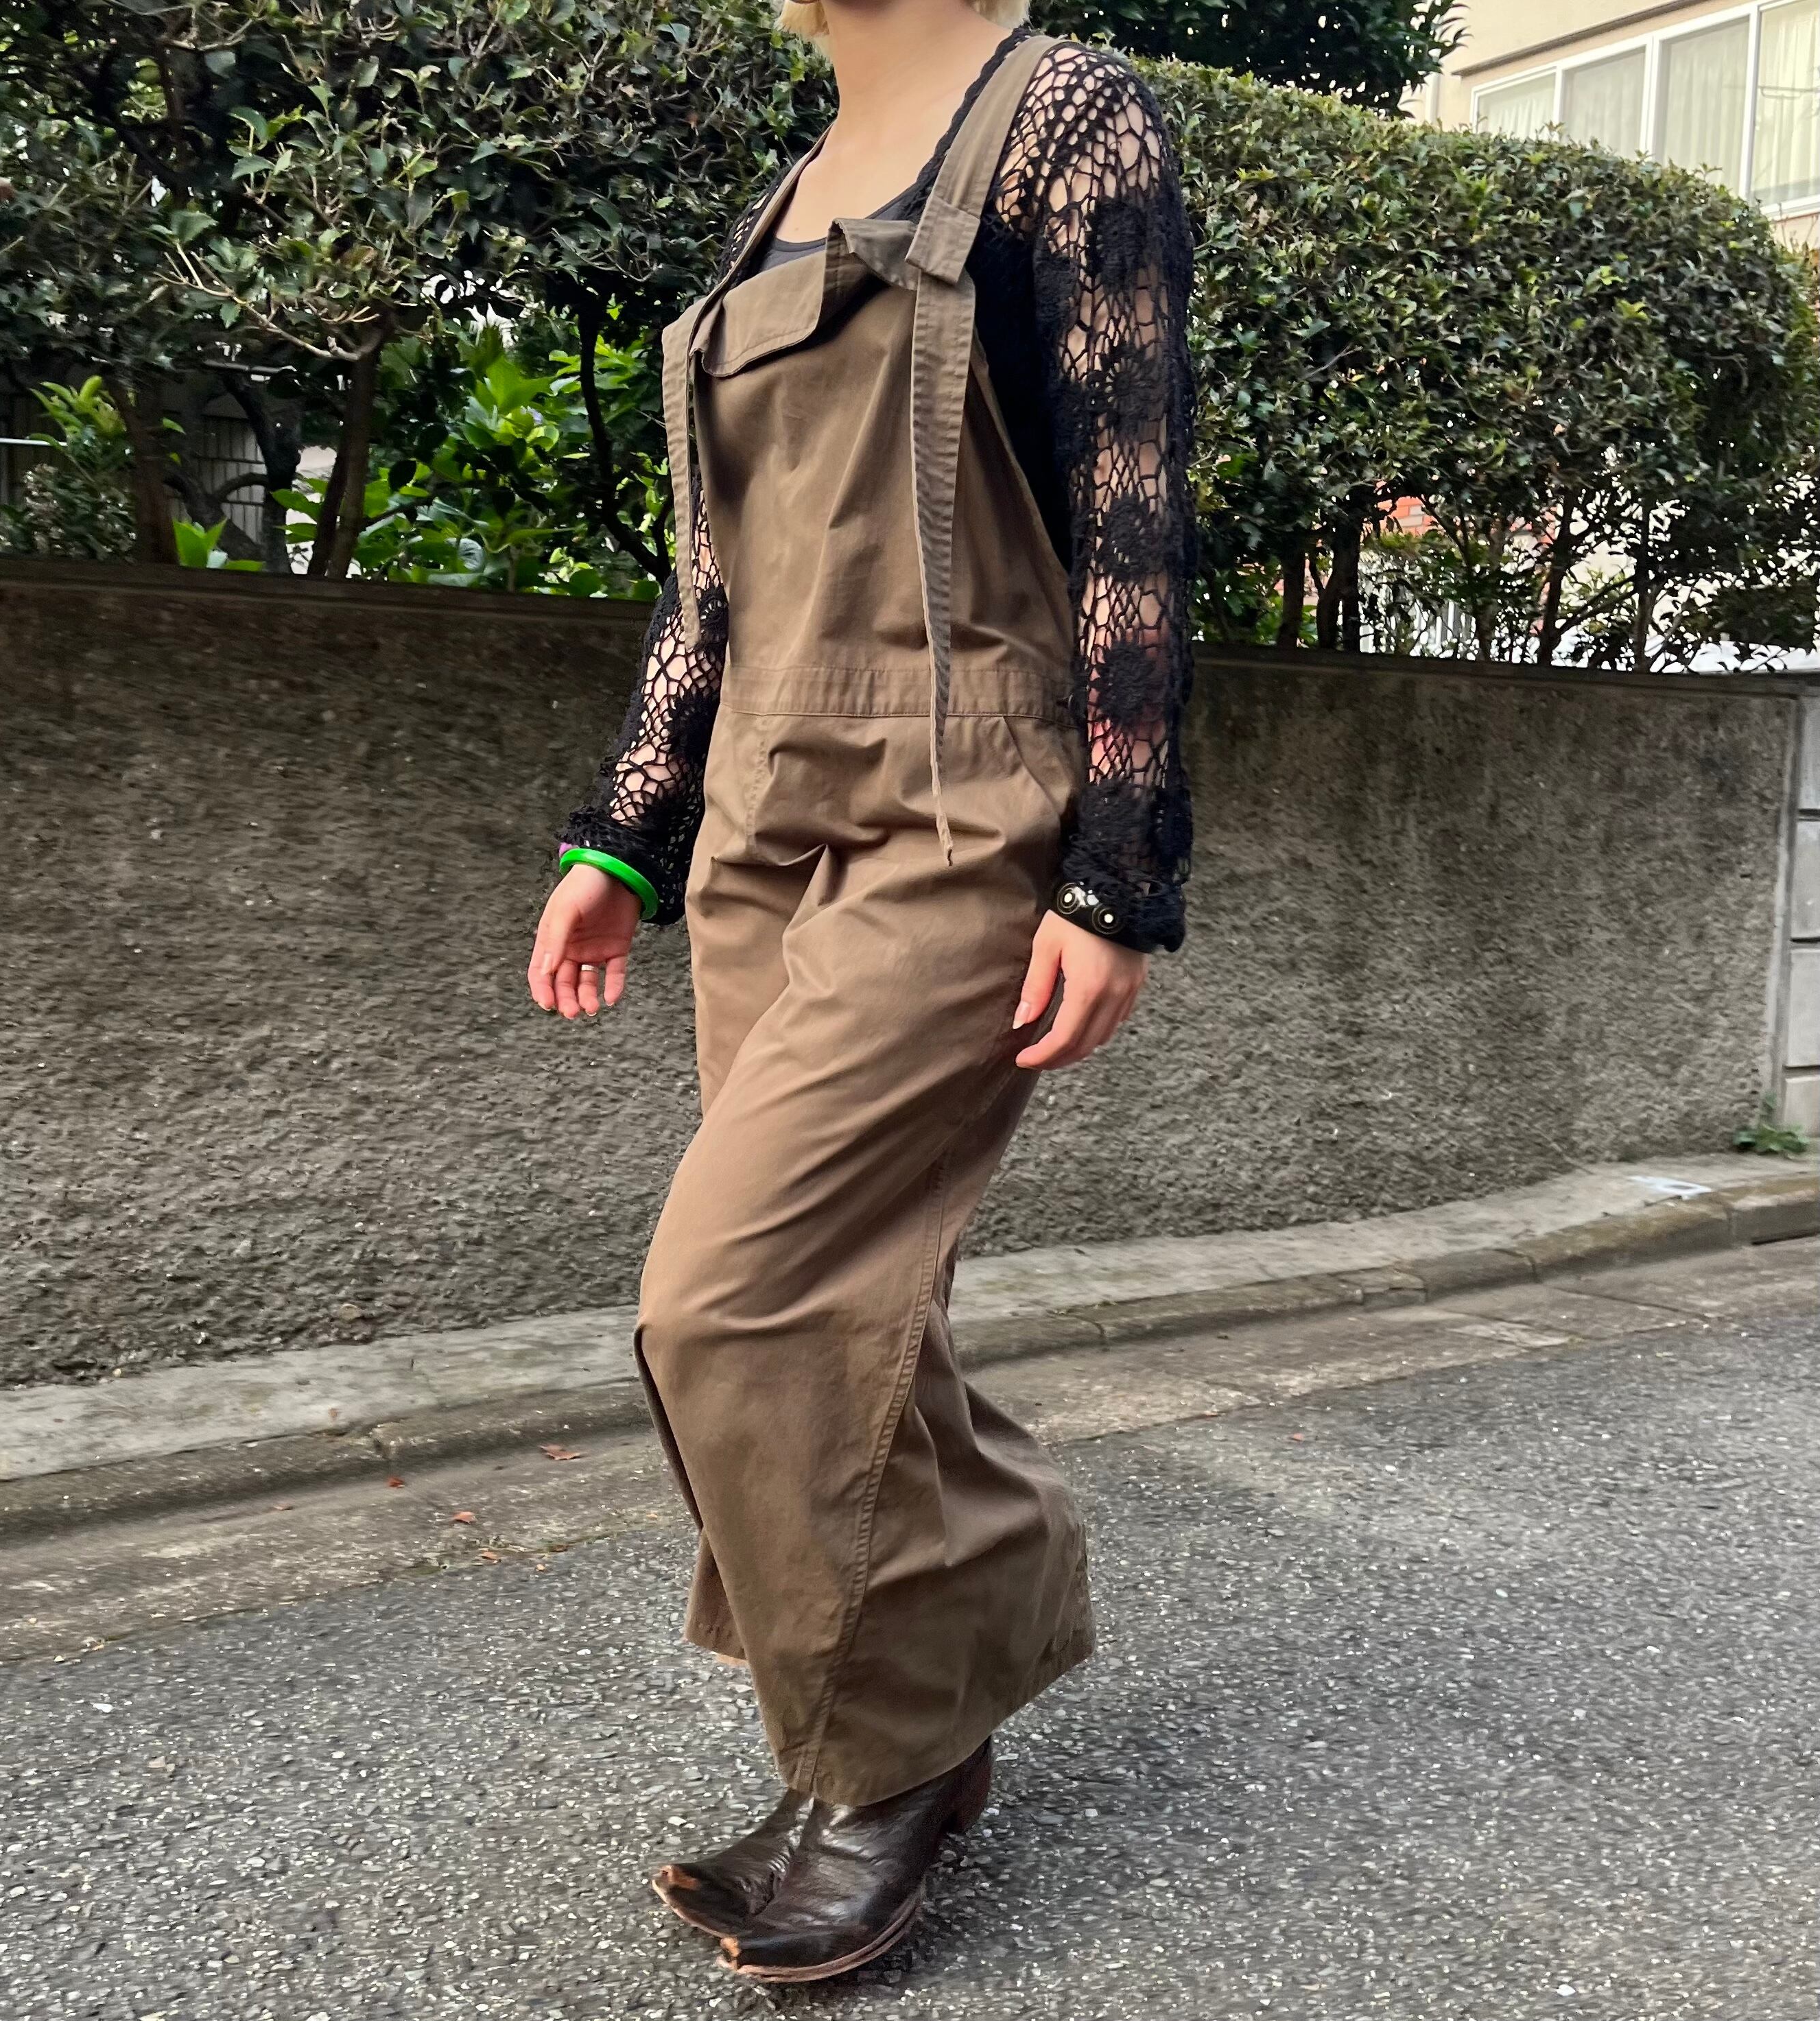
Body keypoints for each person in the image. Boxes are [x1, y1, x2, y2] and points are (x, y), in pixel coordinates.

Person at [527, 0, 1195, 1983]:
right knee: (845, 1310)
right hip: (761, 813)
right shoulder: (789, 191)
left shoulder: (1061, 114)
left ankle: (897, 1739)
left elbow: (1135, 512)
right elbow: (710, 581)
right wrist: (627, 833)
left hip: (962, 797)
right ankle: (926, 1713)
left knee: (730, 1298)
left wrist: (1120, 864)